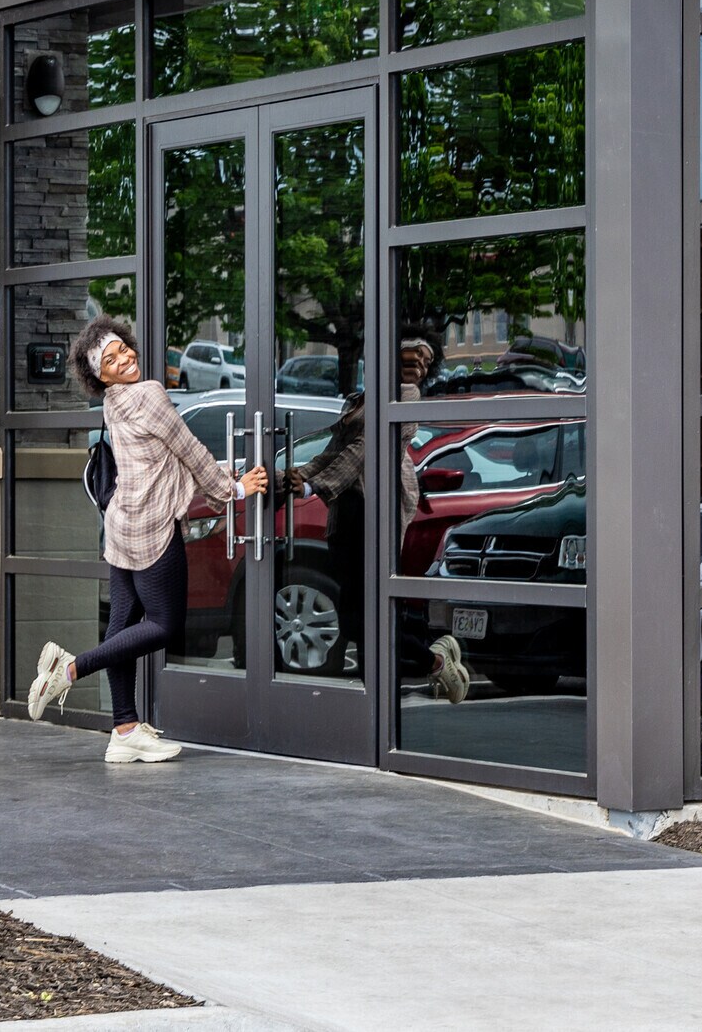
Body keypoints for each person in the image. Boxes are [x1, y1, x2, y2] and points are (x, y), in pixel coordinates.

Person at [25, 315, 268, 763]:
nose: (124, 360)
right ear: (99, 376)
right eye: (110, 361)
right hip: (153, 528)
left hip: (121, 524)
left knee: (122, 625)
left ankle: (124, 731)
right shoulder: (150, 393)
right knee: (164, 624)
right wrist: (232, 490)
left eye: (123, 350)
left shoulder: (114, 402)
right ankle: (70, 668)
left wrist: (221, 475)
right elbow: (188, 448)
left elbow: (163, 461)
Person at [288, 336, 471, 703]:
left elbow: (364, 450)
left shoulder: (406, 399)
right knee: (360, 613)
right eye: (413, 355)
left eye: (425, 361)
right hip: (347, 513)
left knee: (362, 616)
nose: (417, 364)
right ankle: (383, 691)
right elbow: (332, 451)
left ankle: (432, 662)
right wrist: (295, 475)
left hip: (373, 512)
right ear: (390, 354)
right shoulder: (361, 399)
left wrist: (311, 487)